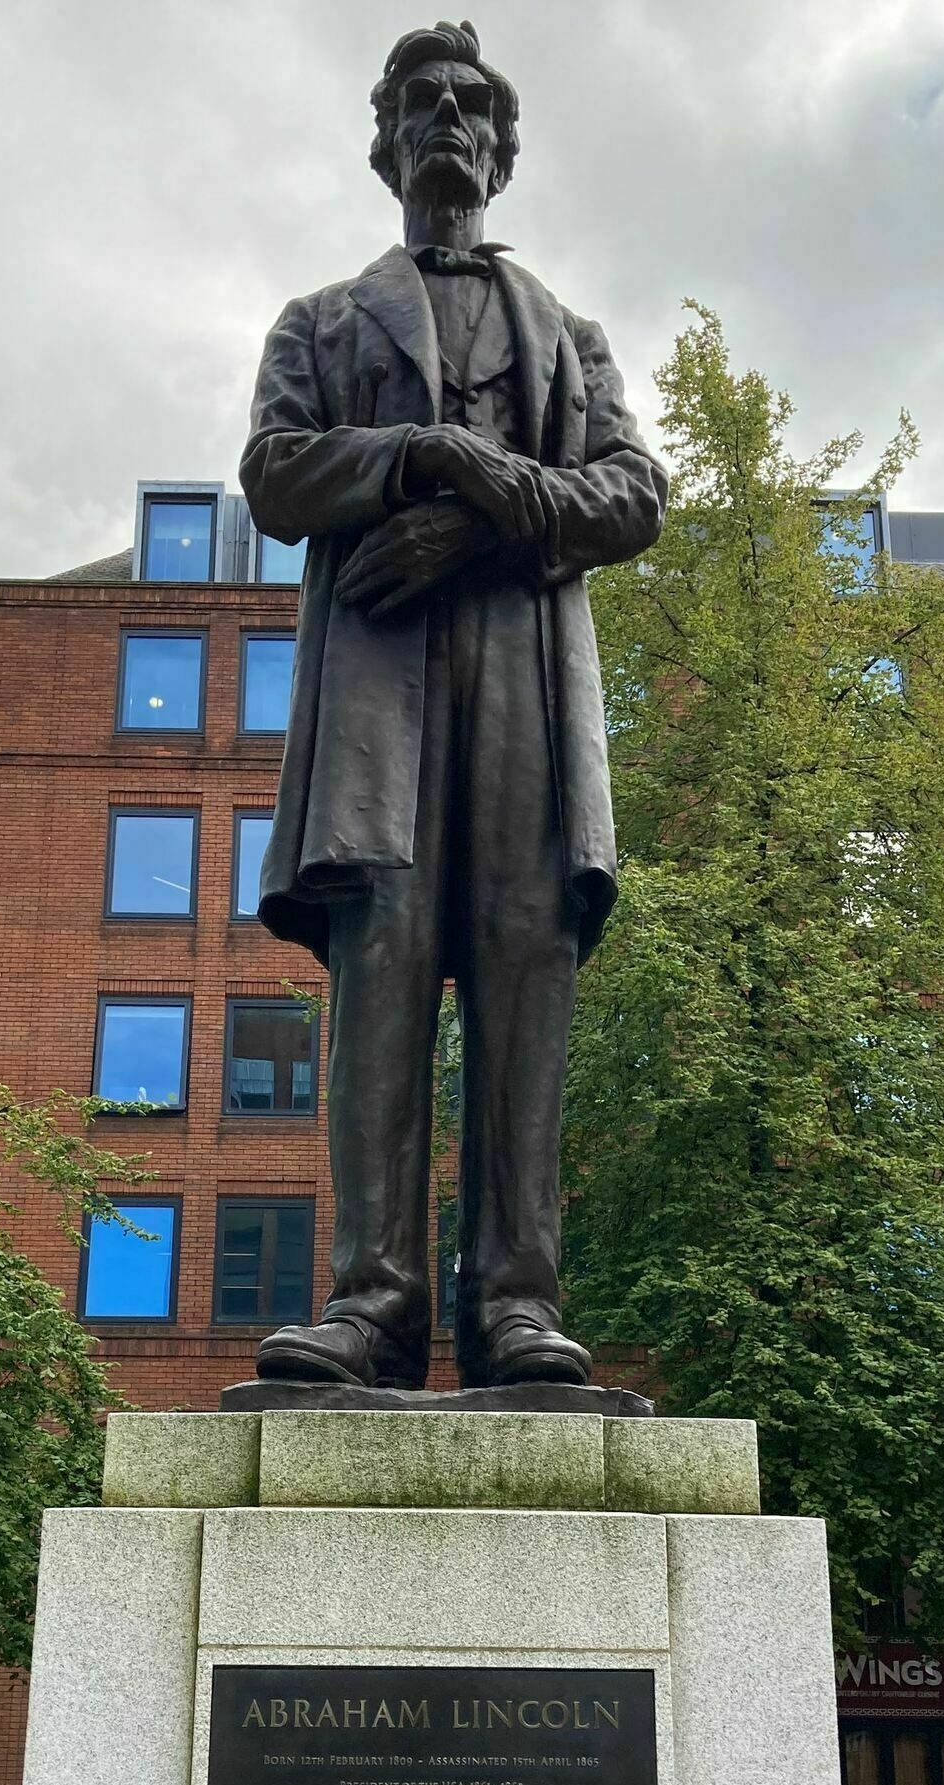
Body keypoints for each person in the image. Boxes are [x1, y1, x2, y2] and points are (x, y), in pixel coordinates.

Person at [241, 19, 665, 1392]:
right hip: (380, 690)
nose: (446, 119)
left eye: (470, 102)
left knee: (524, 962)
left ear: (501, 143)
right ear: (387, 142)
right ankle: (374, 1301)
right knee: (385, 964)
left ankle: (515, 1305)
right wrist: (421, 450)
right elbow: (278, 473)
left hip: (527, 690)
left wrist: (482, 513)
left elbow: (634, 498)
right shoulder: (320, 322)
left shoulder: (570, 336)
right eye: (419, 101)